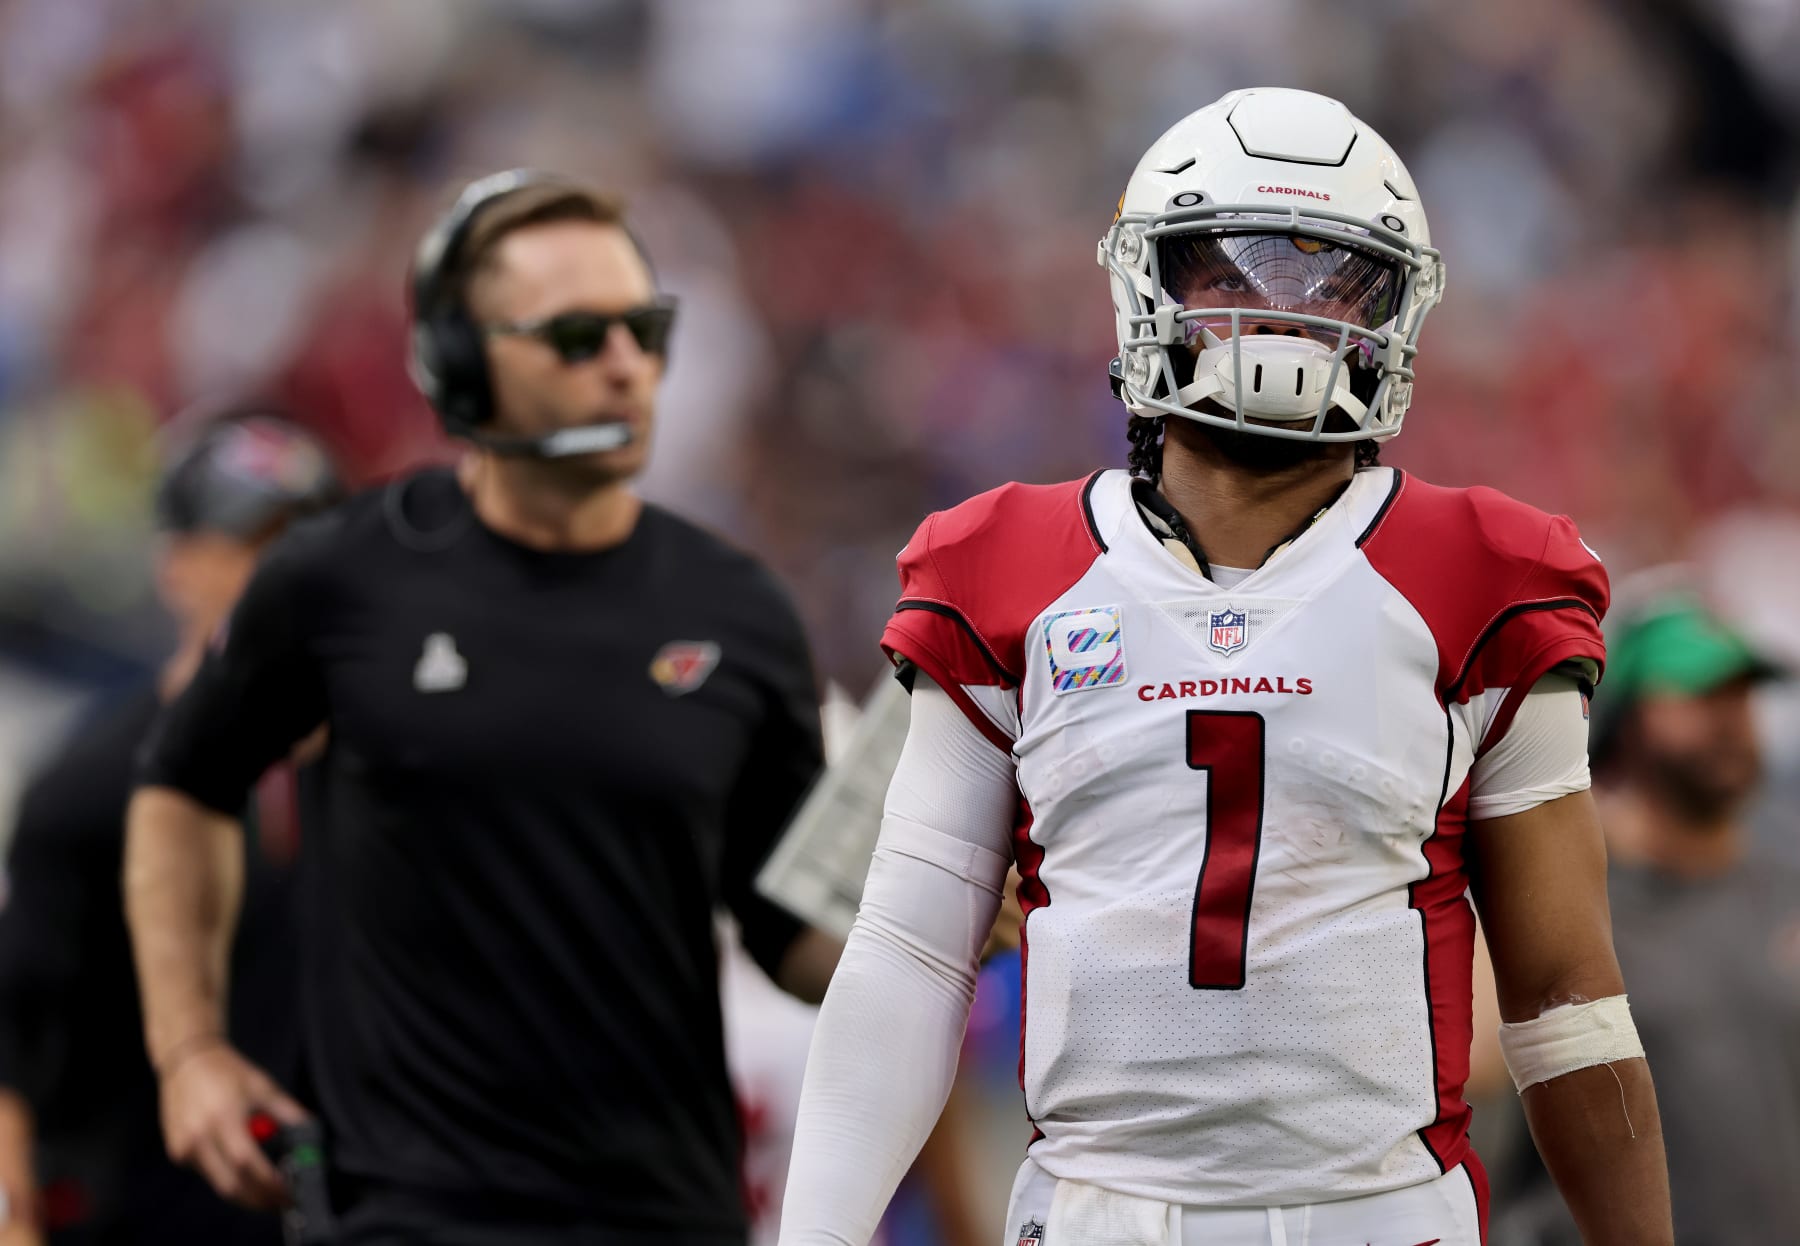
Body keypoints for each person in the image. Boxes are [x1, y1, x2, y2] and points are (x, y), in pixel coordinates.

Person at [778, 88, 1673, 1246]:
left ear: (1398, 308)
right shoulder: (997, 564)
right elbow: (907, 954)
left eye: (1334, 281)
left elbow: (1566, 1000)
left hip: (1385, 1219)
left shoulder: (1489, 573)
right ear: (1150, 286)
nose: (1285, 317)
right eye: (1234, 270)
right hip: (1098, 1214)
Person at [124, 172, 841, 1245]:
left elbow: (790, 935)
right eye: (577, 336)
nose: (626, 365)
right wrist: (188, 1053)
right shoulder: (341, 579)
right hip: (402, 1216)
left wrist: (949, 926)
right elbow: (181, 785)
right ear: (462, 362)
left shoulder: (738, 609)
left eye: (644, 329)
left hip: (660, 1216)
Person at [0, 411, 342, 1246]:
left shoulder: (391, 770)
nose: (280, 569)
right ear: (176, 566)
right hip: (147, 1215)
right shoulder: (88, 791)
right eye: (251, 540)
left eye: (305, 538)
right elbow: (15, 1044)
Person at [1493, 587, 1798, 1244]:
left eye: (1743, 695)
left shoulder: (1785, 885)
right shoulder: (1561, 907)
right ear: (1626, 716)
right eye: (1700, 694)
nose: (1732, 719)